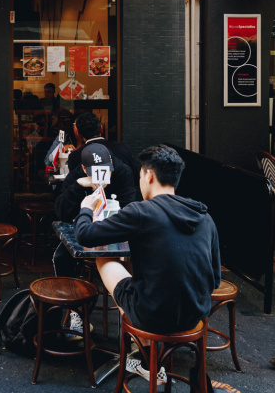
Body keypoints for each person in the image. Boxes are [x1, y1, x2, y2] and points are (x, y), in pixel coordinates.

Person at [76, 145, 221, 384]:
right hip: (194, 316)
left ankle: (145, 355)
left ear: (149, 175)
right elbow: (214, 278)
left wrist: (85, 209)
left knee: (103, 257)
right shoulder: (204, 215)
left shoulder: (141, 212)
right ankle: (146, 358)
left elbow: (85, 236)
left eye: (141, 175)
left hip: (154, 315)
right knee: (143, 276)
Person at [51, 142, 138, 337]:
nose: (103, 175)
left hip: (117, 232)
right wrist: (78, 185)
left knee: (136, 258)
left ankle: (134, 322)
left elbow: (131, 206)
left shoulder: (122, 172)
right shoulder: (77, 175)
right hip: (85, 232)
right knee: (61, 257)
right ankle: (76, 312)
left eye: (106, 170)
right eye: (96, 172)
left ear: (111, 163)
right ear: (84, 169)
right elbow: (61, 213)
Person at [65, 112, 138, 177]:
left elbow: (74, 184)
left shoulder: (75, 156)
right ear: (101, 128)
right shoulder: (123, 148)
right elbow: (136, 175)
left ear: (79, 134)